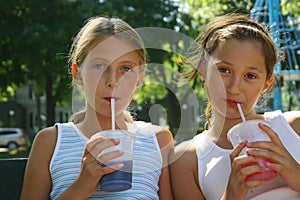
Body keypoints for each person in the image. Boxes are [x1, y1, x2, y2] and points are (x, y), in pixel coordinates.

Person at [21, 16, 174, 199]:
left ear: (139, 79)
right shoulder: (50, 142)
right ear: (77, 74)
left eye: (125, 68)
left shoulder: (158, 140)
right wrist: (81, 186)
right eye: (99, 66)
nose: (112, 81)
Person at [170, 13, 300, 200]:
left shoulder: (294, 128)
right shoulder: (186, 160)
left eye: (250, 76)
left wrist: (296, 174)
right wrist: (230, 195)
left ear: (266, 84)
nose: (234, 87)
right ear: (202, 70)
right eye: (223, 70)